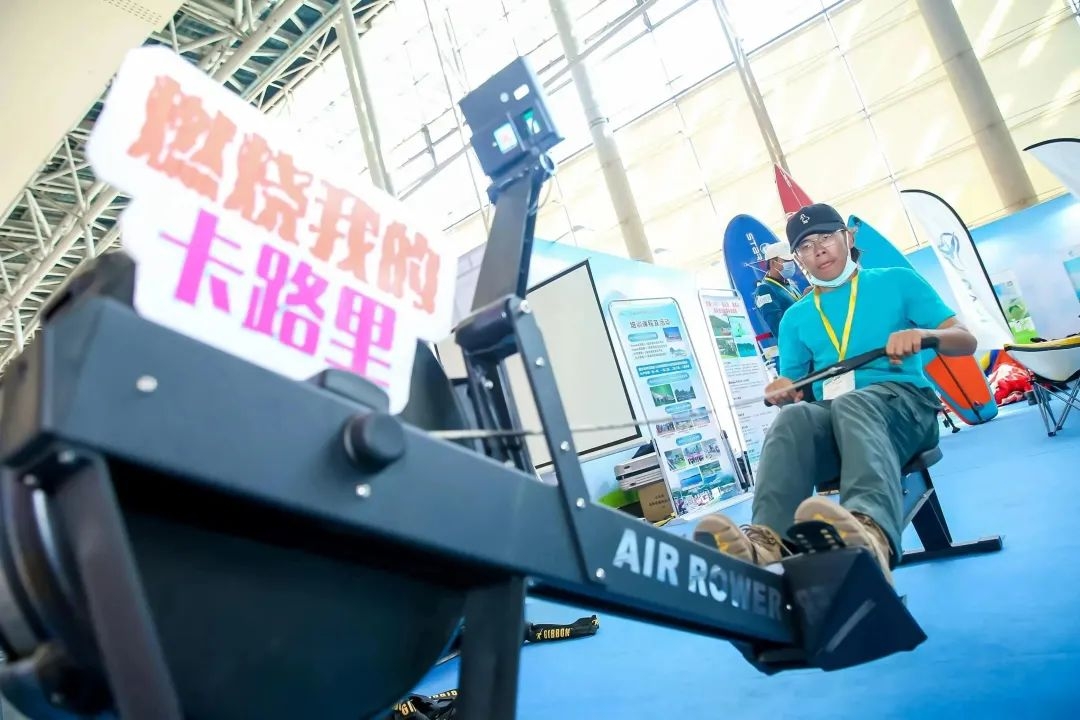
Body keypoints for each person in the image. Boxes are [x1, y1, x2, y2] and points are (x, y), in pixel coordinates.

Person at [694, 203, 976, 584]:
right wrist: (784, 389)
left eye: (826, 237)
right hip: (840, 419)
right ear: (797, 258)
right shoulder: (795, 317)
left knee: (852, 403)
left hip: (907, 409)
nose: (818, 250)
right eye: (805, 246)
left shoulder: (897, 281)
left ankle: (870, 534)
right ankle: (767, 545)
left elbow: (965, 340)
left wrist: (926, 335)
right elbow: (793, 384)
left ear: (848, 236)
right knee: (793, 418)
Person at [753, 242, 802, 341]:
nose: (791, 264)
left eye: (791, 260)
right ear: (772, 263)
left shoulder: (790, 284)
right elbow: (779, 329)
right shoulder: (764, 290)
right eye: (786, 260)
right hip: (797, 346)